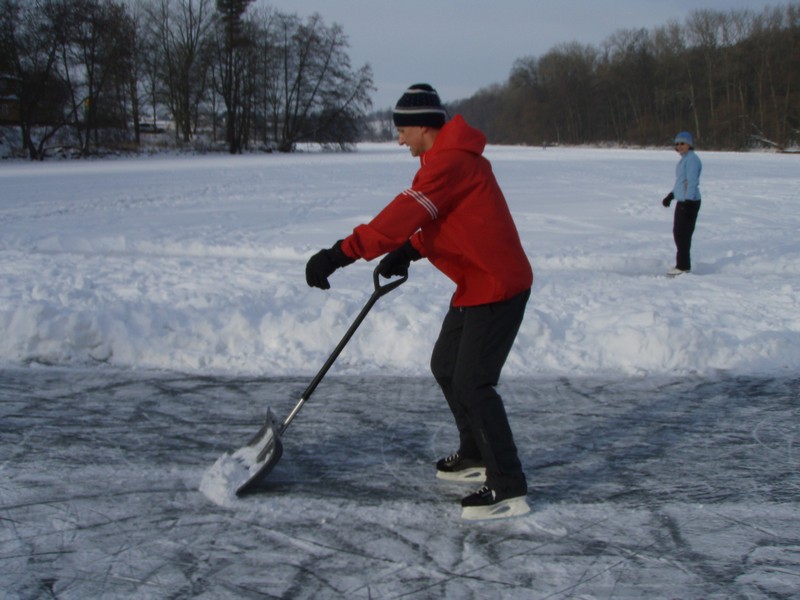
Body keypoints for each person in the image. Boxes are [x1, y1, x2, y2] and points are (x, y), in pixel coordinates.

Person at [304, 83, 533, 520]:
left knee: (473, 382)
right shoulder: (446, 160)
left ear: (424, 127)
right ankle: (474, 453)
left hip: (499, 285)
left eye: (403, 130)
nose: (399, 139)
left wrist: (338, 254)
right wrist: (410, 250)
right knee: (446, 366)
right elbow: (441, 221)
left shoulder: (449, 163)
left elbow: (398, 217)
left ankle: (507, 484)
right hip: (476, 283)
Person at [662, 131, 702, 276]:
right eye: (677, 144)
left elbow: (692, 182)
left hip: (689, 201)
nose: (679, 146)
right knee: (679, 233)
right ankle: (682, 264)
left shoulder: (692, 160)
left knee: (682, 234)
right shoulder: (685, 159)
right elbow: (681, 182)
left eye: (682, 143)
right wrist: (671, 195)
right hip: (683, 200)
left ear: (689, 145)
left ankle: (683, 266)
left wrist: (689, 202)